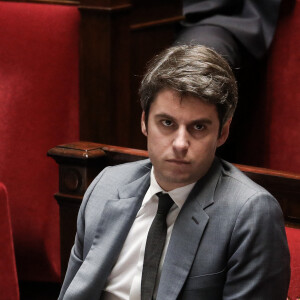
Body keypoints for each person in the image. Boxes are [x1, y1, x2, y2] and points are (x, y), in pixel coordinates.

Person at [58, 45, 290, 300]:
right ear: (145, 122)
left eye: (198, 127)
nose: (180, 144)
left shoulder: (250, 215)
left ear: (222, 132)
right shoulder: (106, 187)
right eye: (167, 123)